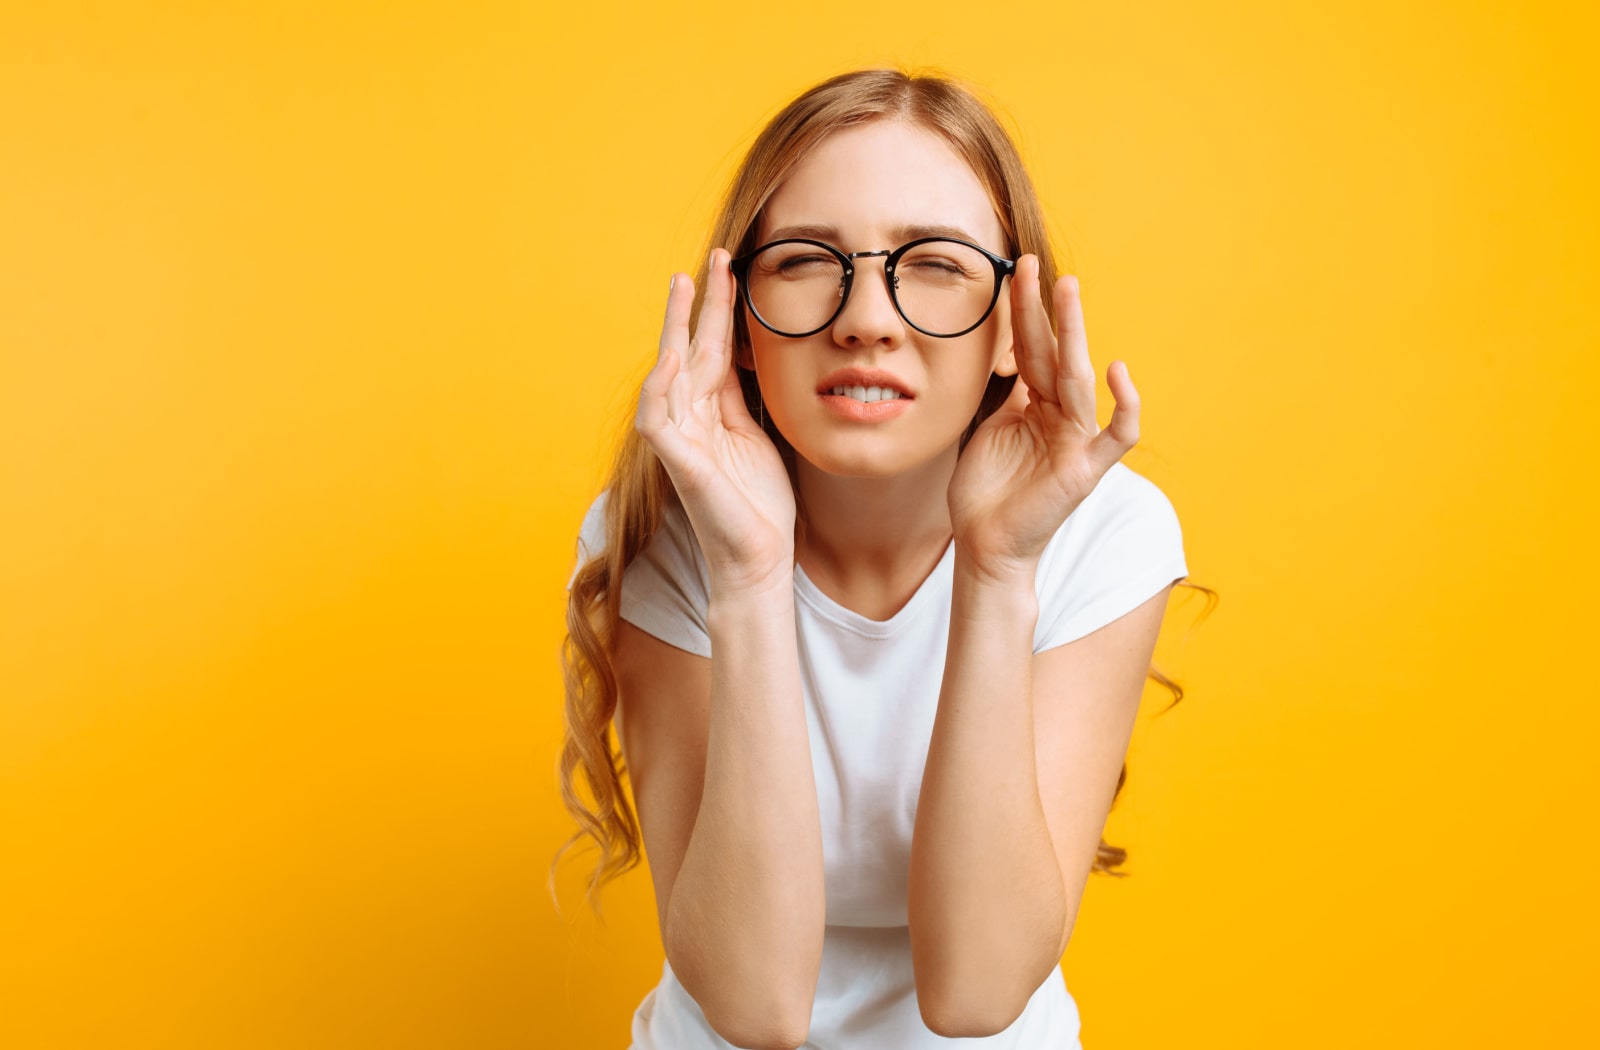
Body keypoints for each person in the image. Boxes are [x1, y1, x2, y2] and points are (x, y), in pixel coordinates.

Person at [557, 67, 1211, 1049]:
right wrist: (745, 576)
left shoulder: (1104, 531)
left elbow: (978, 994)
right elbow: (752, 1008)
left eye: (937, 263)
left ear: (1009, 330)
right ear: (738, 324)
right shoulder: (664, 522)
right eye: (808, 259)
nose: (865, 316)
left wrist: (997, 569)